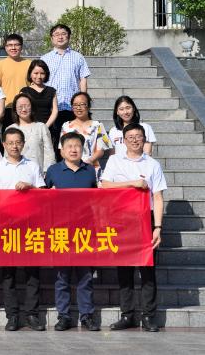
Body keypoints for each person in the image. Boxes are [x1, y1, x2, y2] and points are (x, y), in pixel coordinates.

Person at [101, 123, 166, 332]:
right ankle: (127, 314)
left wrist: (158, 227)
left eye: (139, 136)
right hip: (122, 220)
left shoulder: (153, 164)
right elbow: (105, 185)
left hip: (146, 220)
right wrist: (132, 183)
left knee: (147, 270)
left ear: (144, 139)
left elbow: (158, 197)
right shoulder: (115, 160)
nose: (135, 140)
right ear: (124, 140)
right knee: (124, 270)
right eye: (131, 137)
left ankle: (148, 316)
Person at [0, 127, 46, 332]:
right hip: (6, 226)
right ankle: (12, 315)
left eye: (18, 142)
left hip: (30, 226)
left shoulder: (32, 166)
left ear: (23, 144)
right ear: (4, 145)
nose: (14, 146)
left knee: (32, 273)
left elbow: (43, 195)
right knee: (8, 274)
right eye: (10, 143)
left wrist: (30, 188)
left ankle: (32, 314)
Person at [44, 131, 101, 331]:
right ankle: (64, 316)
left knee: (85, 276)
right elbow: (41, 197)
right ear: (62, 150)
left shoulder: (89, 171)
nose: (74, 149)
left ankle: (87, 316)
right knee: (62, 277)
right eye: (69, 146)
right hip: (60, 230)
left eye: (77, 146)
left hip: (85, 231)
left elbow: (98, 198)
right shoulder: (53, 171)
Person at [40, 24, 91, 147]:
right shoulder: (45, 58)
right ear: (52, 38)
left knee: (72, 139)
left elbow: (83, 79)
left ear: (69, 37)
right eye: (56, 34)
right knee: (52, 140)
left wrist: (83, 100)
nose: (60, 37)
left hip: (71, 107)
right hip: (51, 107)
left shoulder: (78, 57)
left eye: (63, 34)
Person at [59, 92, 112, 176]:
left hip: (91, 168)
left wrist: (89, 161)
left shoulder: (97, 125)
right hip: (70, 169)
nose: (78, 108)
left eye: (82, 104)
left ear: (88, 106)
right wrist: (72, 163)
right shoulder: (66, 126)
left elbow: (101, 150)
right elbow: (62, 150)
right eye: (75, 105)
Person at [7, 93, 56, 172]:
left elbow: (49, 153)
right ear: (15, 109)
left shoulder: (41, 127)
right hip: (16, 173)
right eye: (20, 107)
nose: (24, 109)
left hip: (38, 174)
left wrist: (47, 172)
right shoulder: (10, 129)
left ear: (32, 107)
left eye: (27, 106)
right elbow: (7, 155)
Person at [0, 34, 31, 129]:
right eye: (10, 45)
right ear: (5, 47)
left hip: (25, 107)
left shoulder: (29, 64)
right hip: (7, 108)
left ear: (21, 47)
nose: (13, 48)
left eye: (16, 45)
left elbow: (32, 86)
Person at [18, 59, 58, 131]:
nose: (39, 76)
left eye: (42, 73)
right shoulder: (24, 91)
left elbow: (55, 111)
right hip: (29, 129)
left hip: (48, 128)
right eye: (36, 73)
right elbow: (21, 111)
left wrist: (45, 126)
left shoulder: (52, 91)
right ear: (30, 74)